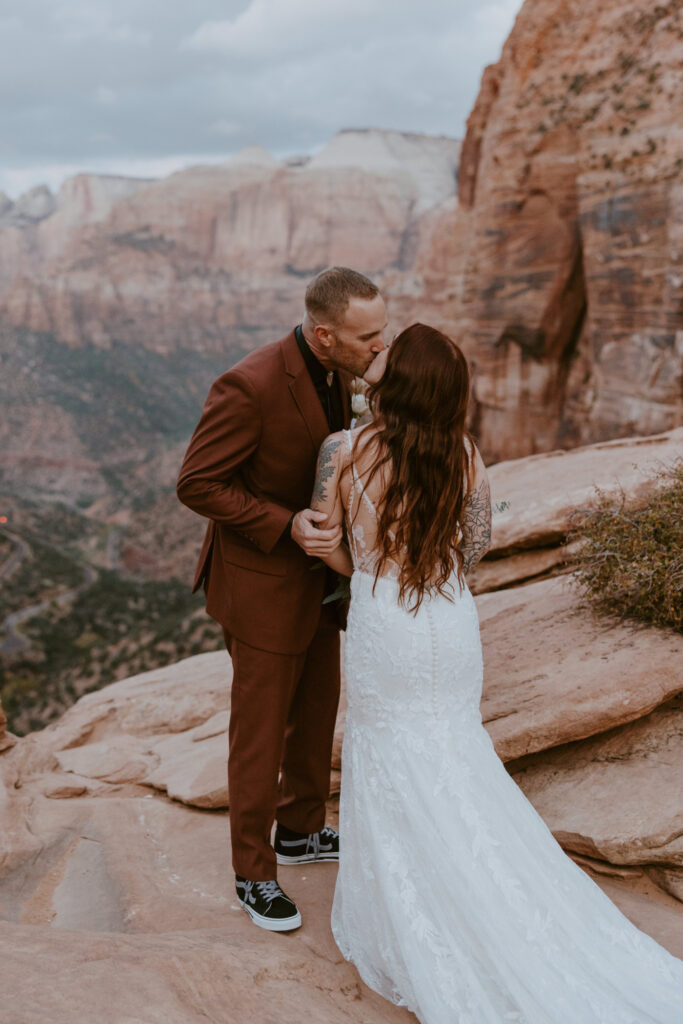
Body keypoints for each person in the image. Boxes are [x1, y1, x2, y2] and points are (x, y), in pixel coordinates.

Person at [309, 323, 683, 1022]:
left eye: (387, 351)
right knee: (454, 753)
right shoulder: (464, 453)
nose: (377, 351)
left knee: (387, 752)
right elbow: (475, 545)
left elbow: (328, 545)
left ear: (399, 379)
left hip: (384, 622)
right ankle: (497, 895)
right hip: (447, 620)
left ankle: (416, 910)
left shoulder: (344, 449)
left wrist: (369, 572)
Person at [176, 266, 388, 931]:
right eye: (366, 338)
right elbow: (198, 483)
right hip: (263, 585)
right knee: (259, 734)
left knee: (317, 707)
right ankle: (253, 873)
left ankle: (300, 831)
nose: (378, 347)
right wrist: (282, 523)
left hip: (323, 582)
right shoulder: (251, 384)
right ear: (323, 336)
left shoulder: (339, 373)